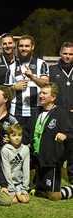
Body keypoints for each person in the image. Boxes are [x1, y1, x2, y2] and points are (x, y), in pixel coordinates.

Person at [31, 83, 72, 201]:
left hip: (52, 162)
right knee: (38, 191)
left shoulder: (60, 113)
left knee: (54, 196)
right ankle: (40, 187)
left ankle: (69, 190)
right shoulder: (36, 111)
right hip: (38, 160)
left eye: (44, 93)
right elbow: (28, 132)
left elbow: (70, 133)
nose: (41, 95)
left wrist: (65, 135)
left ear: (53, 97)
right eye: (40, 92)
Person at [10, 35, 49, 144]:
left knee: (35, 141)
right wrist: (14, 87)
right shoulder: (12, 66)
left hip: (35, 109)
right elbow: (6, 88)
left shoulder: (41, 63)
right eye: (21, 46)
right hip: (16, 110)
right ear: (17, 48)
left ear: (32, 47)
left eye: (27, 46)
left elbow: (46, 84)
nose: (23, 48)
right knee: (16, 142)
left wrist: (32, 77)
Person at [49, 41, 73, 184]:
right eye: (65, 53)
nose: (68, 56)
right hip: (58, 116)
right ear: (60, 53)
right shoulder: (52, 70)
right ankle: (52, 176)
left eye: (71, 54)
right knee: (57, 147)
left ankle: (71, 176)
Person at [1, 124, 30, 204]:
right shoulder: (5, 150)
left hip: (19, 183)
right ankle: (14, 192)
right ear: (9, 137)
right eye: (13, 135)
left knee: (25, 200)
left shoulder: (25, 149)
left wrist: (24, 188)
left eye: (19, 135)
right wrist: (11, 189)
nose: (17, 138)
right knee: (14, 201)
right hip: (8, 183)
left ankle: (19, 191)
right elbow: (6, 170)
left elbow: (26, 169)